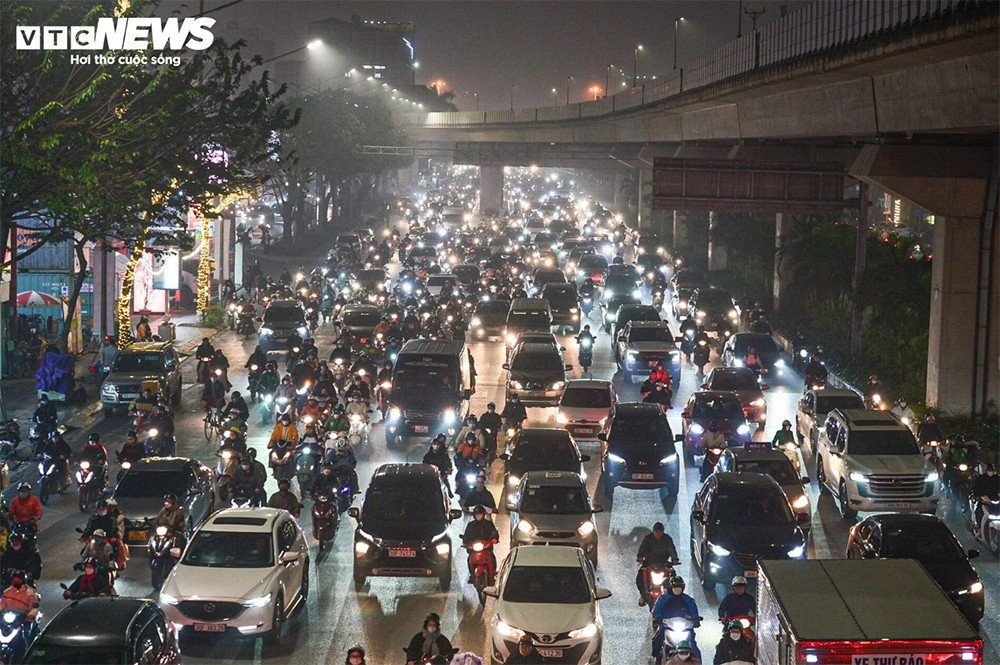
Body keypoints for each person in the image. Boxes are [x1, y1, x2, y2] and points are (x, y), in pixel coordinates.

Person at [652, 576, 702, 662]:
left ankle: (698, 662)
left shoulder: (688, 599)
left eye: (679, 587)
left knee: (693, 645)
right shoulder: (664, 598)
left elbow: (693, 610)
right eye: (675, 587)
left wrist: (695, 619)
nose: (677, 589)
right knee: (659, 637)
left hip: (685, 627)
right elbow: (658, 610)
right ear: (671, 587)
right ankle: (657, 655)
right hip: (667, 626)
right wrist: (658, 618)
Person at [636, 522, 679, 606]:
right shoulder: (648, 538)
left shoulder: (667, 539)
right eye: (656, 531)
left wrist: (674, 559)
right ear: (653, 531)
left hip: (663, 563)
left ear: (662, 532)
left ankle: (674, 595)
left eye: (660, 531)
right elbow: (642, 548)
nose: (658, 533)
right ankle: (642, 595)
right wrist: (640, 557)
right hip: (649, 563)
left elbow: (671, 550)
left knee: (673, 576)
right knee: (640, 577)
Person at [462, 504, 499, 581]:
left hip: (486, 547)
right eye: (477, 514)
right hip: (474, 549)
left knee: (492, 557)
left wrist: (494, 539)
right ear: (474, 515)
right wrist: (465, 543)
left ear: (484, 515)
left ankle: (493, 572)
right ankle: (472, 575)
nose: (479, 516)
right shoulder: (470, 525)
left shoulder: (488, 524)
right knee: (469, 559)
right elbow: (466, 535)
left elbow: (494, 533)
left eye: (480, 514)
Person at [971, 463, 999, 534]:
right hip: (984, 501)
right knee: (979, 512)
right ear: (986, 470)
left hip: (995, 501)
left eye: (992, 470)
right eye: (989, 470)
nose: (990, 471)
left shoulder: (997, 479)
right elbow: (976, 490)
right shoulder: (980, 479)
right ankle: (980, 528)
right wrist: (979, 497)